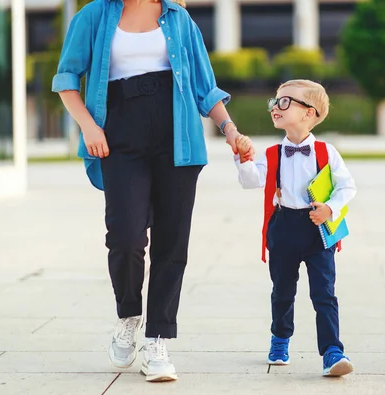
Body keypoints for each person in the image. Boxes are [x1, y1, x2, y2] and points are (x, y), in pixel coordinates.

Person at [52, 0, 254, 383]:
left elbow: (203, 86)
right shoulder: (94, 15)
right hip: (118, 138)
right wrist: (89, 127)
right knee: (125, 237)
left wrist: (231, 132)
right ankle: (129, 315)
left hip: (178, 139)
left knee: (172, 243)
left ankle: (157, 338)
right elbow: (66, 79)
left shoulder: (179, 18)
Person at [234, 80, 356, 377]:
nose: (276, 107)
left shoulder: (327, 151)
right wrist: (243, 158)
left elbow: (347, 186)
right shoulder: (273, 153)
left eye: (286, 102)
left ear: (309, 113)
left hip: (318, 229)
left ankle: (332, 351)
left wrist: (330, 209)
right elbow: (251, 181)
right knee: (282, 290)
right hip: (284, 225)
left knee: (324, 293)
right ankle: (280, 339)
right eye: (275, 102)